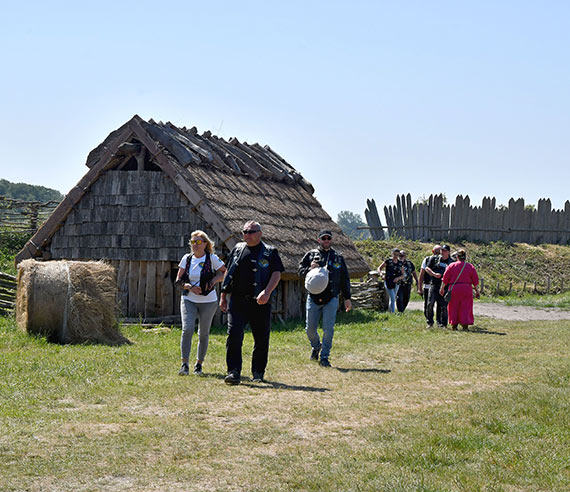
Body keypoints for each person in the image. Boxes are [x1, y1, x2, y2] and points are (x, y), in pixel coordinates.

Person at [220, 221, 284, 385]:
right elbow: (228, 271)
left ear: (260, 233)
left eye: (251, 232)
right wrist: (223, 295)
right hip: (238, 300)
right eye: (244, 232)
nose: (247, 235)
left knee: (261, 338)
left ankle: (258, 372)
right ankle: (233, 372)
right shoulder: (238, 249)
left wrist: (267, 292)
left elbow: (276, 274)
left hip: (260, 302)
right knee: (234, 335)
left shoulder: (270, 252)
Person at [175, 230, 227, 376]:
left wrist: (214, 280)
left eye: (198, 242)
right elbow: (178, 281)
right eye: (193, 242)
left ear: (205, 244)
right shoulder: (187, 259)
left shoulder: (212, 258)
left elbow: (225, 272)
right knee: (187, 329)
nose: (195, 245)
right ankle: (184, 364)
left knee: (203, 333)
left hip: (208, 301)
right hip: (189, 299)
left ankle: (199, 364)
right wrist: (189, 287)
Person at [298, 229, 352, 367]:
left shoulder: (338, 257)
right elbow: (299, 272)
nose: (326, 241)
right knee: (310, 329)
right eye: (323, 238)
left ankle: (324, 357)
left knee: (328, 329)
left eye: (328, 238)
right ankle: (316, 346)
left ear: (331, 240)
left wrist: (347, 298)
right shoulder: (310, 255)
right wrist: (309, 269)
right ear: (319, 240)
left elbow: (345, 278)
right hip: (313, 297)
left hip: (332, 298)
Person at [440, 249, 480, 330]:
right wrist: (477, 291)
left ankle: (454, 325)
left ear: (457, 257)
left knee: (453, 306)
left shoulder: (451, 266)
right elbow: (475, 281)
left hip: (454, 288)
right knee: (466, 307)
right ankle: (465, 325)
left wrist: (442, 288)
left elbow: (445, 278)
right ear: (465, 257)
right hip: (466, 289)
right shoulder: (470, 266)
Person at [424, 244, 455, 327]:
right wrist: (433, 274)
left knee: (444, 306)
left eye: (445, 251)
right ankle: (430, 322)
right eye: (442, 250)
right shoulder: (434, 259)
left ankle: (443, 324)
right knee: (430, 304)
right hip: (434, 284)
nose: (442, 252)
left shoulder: (451, 262)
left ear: (448, 252)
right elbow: (427, 268)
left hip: (445, 286)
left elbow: (454, 274)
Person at [418, 245, 441, 324]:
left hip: (439, 286)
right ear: (432, 251)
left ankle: (439, 322)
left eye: (439, 253)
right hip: (428, 286)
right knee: (428, 305)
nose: (437, 254)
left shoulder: (443, 260)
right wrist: (419, 288)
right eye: (436, 252)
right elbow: (421, 275)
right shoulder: (427, 259)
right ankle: (429, 321)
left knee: (440, 305)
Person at [377, 248, 405, 313]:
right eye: (394, 254)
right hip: (388, 281)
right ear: (392, 254)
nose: (396, 256)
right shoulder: (388, 261)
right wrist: (381, 275)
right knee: (392, 297)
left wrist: (398, 278)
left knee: (393, 297)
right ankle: (393, 312)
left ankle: (390, 310)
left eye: (397, 255)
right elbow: (379, 268)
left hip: (397, 282)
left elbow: (403, 275)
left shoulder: (400, 263)